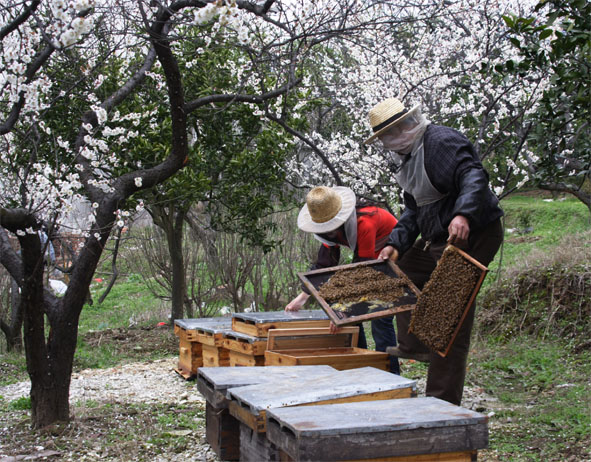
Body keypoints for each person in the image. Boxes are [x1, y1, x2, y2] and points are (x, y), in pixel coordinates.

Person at [365, 97, 504, 405]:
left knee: (448, 318)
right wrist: (394, 243)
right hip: (438, 238)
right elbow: (414, 209)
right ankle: (415, 345)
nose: (387, 142)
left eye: (388, 134)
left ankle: (442, 403)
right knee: (398, 273)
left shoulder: (440, 142)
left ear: (403, 127)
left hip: (474, 233)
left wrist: (463, 214)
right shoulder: (409, 157)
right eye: (382, 137)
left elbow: (474, 176)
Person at [285, 185, 401, 374]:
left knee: (379, 314)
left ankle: (389, 374)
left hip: (394, 253)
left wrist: (345, 309)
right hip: (369, 261)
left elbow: (362, 271)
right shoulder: (326, 230)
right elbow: (324, 265)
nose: (328, 232)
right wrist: (303, 297)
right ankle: (360, 368)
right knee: (351, 318)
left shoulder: (365, 223)